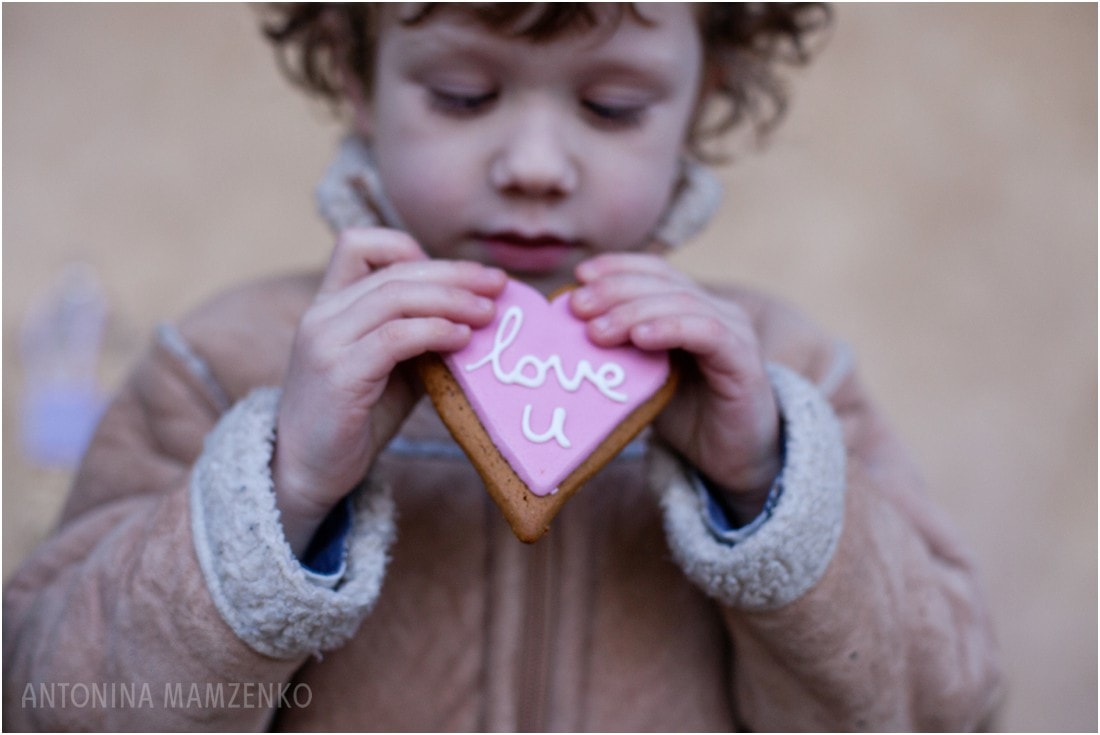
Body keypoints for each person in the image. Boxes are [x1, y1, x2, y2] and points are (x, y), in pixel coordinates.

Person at [3, 3, 1002, 730]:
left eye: (611, 106)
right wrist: (278, 489)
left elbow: (947, 706)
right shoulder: (226, 365)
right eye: (462, 93)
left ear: (704, 98)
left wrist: (765, 487)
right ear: (358, 78)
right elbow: (50, 701)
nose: (532, 161)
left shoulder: (787, 380)